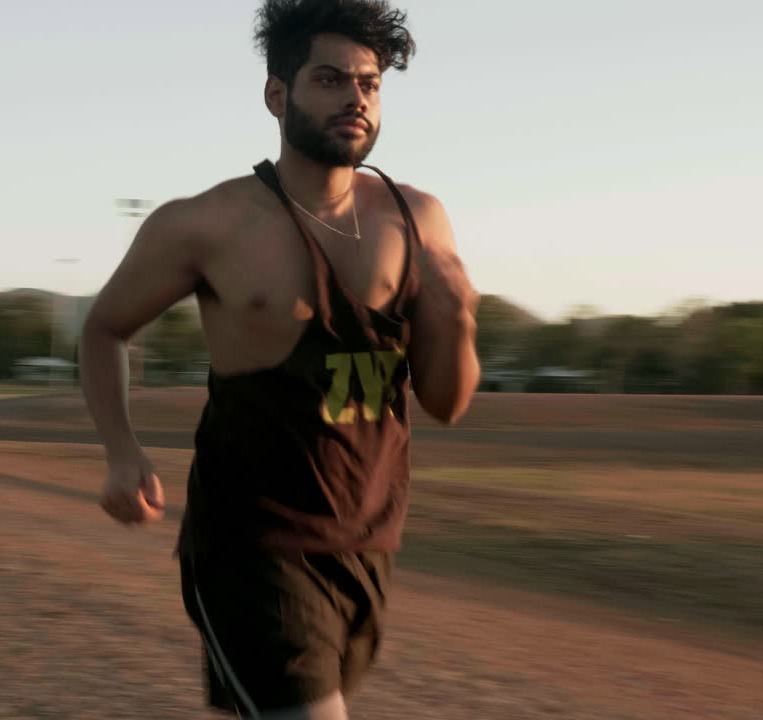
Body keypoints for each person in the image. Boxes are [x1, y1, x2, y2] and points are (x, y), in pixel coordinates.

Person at [79, 0, 479, 716]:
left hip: (368, 539)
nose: (355, 98)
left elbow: (447, 402)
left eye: (369, 83)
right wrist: (121, 450)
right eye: (330, 79)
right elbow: (104, 328)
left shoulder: (418, 219)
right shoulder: (205, 224)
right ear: (277, 94)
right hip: (249, 544)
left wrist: (458, 315)